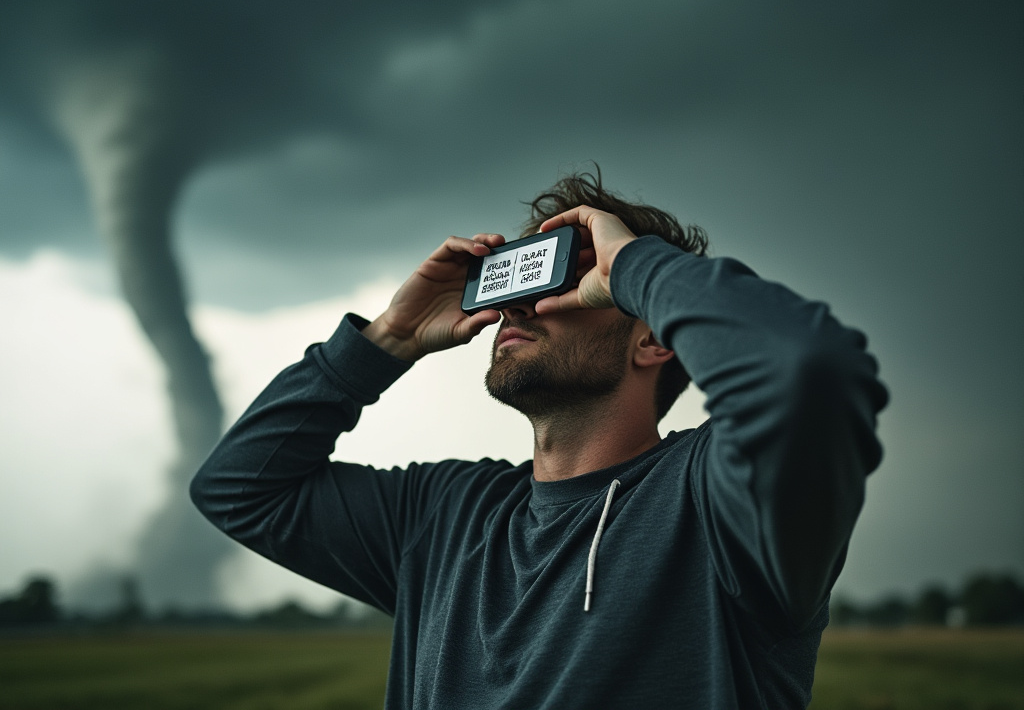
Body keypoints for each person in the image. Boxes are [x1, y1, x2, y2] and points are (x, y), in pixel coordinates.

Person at [191, 170, 887, 709]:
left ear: (652, 337)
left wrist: (633, 266)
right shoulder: (441, 513)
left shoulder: (720, 503)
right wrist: (387, 341)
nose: (518, 304)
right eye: (518, 279)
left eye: (567, 278)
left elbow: (809, 370)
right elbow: (239, 488)